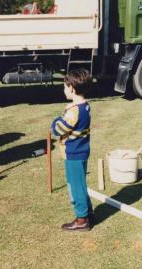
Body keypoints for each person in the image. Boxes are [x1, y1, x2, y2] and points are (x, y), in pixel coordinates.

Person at [51, 68, 94, 231]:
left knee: (75, 186)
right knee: (80, 184)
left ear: (72, 88)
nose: (63, 89)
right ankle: (88, 213)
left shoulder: (73, 111)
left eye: (64, 86)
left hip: (73, 153)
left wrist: (56, 120)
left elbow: (58, 129)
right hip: (82, 151)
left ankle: (82, 219)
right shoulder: (85, 105)